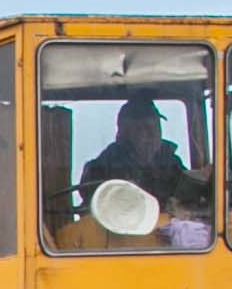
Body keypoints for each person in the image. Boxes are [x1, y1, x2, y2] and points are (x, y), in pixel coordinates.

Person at [81, 95, 212, 225]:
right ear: (124, 133)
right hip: (124, 233)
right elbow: (95, 212)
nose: (152, 134)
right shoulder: (102, 167)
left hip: (170, 231)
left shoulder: (171, 162)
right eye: (143, 129)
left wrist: (204, 180)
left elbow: (187, 196)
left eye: (156, 127)